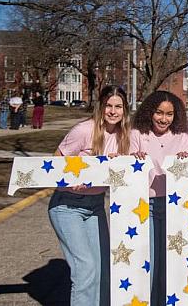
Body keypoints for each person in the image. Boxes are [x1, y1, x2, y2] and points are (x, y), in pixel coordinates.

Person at [48, 85, 131, 306]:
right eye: (108, 106)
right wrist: (70, 178)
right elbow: (55, 161)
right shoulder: (84, 130)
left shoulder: (125, 136)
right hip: (67, 206)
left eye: (118, 106)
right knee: (85, 268)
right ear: (100, 107)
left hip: (95, 207)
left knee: (103, 267)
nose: (113, 111)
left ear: (125, 110)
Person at [130, 90, 188, 306]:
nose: (163, 119)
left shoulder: (182, 137)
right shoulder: (137, 134)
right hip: (145, 205)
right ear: (149, 112)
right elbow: (126, 166)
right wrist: (131, 159)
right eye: (159, 113)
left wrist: (186, 160)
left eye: (169, 114)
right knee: (150, 260)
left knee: (171, 261)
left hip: (174, 206)